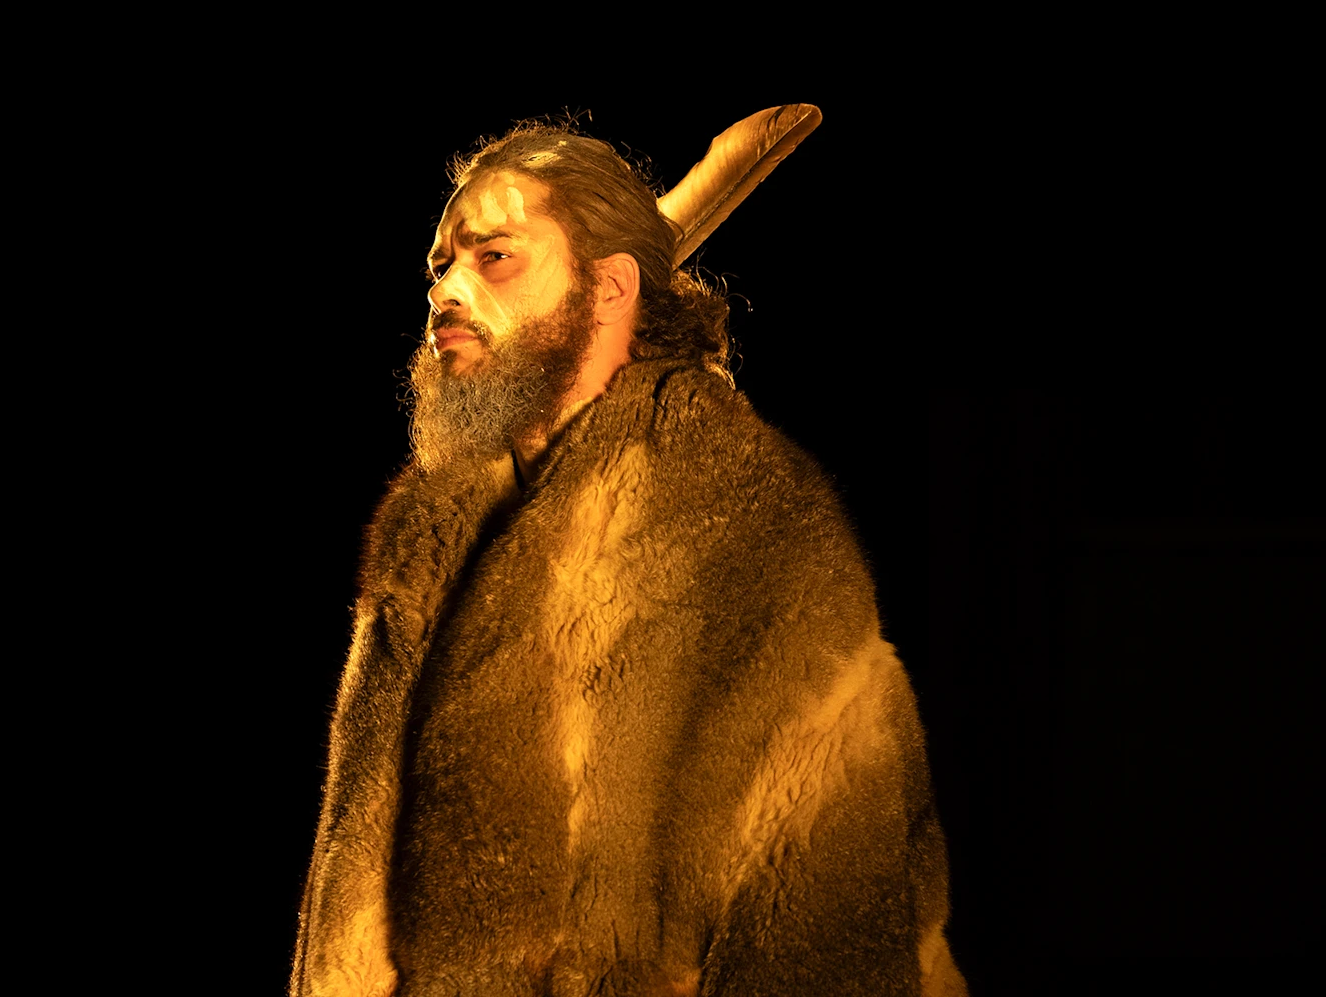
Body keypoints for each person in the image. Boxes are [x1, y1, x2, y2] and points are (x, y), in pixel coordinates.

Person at [293, 122, 966, 996]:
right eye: (441, 266)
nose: (444, 291)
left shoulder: (746, 522)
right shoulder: (428, 537)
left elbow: (822, 895)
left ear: (610, 286)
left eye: (493, 257)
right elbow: (354, 891)